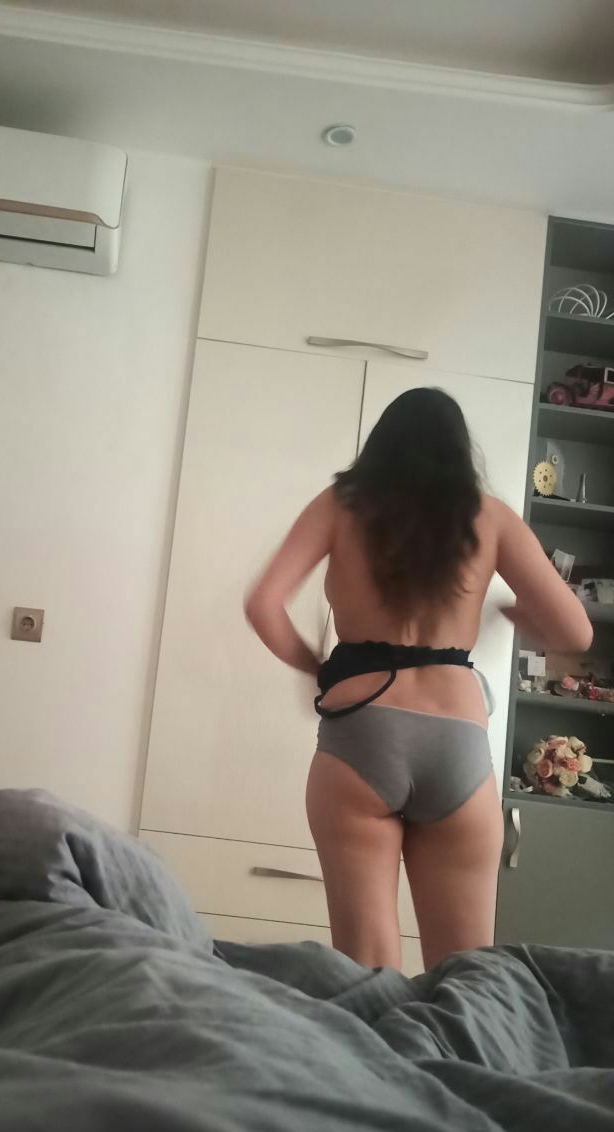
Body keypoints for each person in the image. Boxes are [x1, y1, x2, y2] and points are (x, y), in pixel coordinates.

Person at [243, 387, 593, 972]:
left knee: (366, 971)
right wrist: (515, 613)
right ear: (459, 452)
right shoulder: (490, 516)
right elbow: (575, 632)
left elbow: (263, 604)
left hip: (361, 735)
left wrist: (320, 669)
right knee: (464, 975)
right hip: (457, 741)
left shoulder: (342, 504)